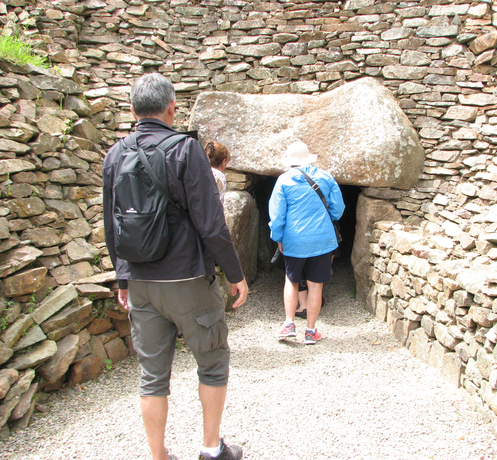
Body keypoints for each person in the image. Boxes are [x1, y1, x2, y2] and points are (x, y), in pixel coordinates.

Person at [102, 73, 248, 460]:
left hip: (140, 281)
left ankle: (158, 455)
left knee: (152, 376)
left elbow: (111, 223)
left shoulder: (115, 154)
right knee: (213, 363)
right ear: (172, 107)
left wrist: (123, 278)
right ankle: (211, 448)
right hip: (187, 279)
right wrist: (236, 274)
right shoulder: (185, 149)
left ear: (133, 110)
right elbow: (211, 223)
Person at [268, 141, 345, 345]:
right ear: (308, 158)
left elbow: (277, 216)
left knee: (292, 281)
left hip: (294, 240)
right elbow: (338, 207)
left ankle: (289, 324)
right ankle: (311, 331)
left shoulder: (283, 181)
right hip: (322, 240)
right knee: (316, 285)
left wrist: (278, 238)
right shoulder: (325, 177)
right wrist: (327, 218)